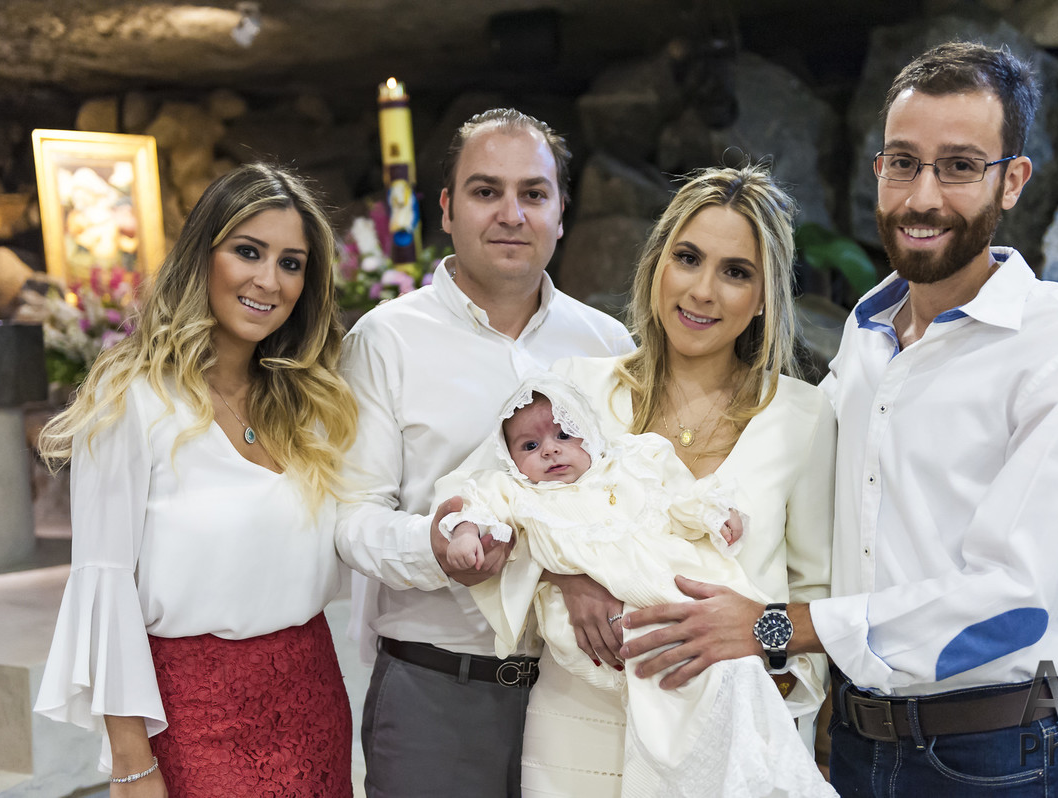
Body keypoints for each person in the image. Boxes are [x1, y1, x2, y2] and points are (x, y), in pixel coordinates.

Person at [620, 42, 1058, 797]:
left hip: (1004, 753)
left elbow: (1014, 603)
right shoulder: (867, 332)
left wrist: (774, 625)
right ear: (878, 172)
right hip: (859, 743)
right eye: (903, 162)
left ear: (1013, 181)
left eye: (959, 166)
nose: (922, 195)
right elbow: (783, 473)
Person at [334, 108, 633, 798]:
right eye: (485, 191)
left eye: (533, 193)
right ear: (446, 208)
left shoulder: (608, 346)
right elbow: (352, 517)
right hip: (440, 695)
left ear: (561, 212)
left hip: (583, 692)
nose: (511, 213)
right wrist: (433, 546)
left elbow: (626, 495)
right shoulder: (386, 341)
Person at [33, 162, 359, 796]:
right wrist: (133, 764)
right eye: (248, 252)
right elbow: (105, 590)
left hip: (313, 696)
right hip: (194, 718)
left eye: (291, 263)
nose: (269, 280)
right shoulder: (129, 398)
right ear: (202, 255)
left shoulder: (305, 401)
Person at [512, 163, 836, 796]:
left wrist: (770, 666)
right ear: (658, 264)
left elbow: (821, 599)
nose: (703, 291)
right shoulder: (575, 392)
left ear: (765, 295)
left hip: (730, 743)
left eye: (736, 272)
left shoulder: (804, 415)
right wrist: (565, 573)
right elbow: (494, 513)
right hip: (580, 736)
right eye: (688, 258)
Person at [435, 375, 835, 797]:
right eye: (529, 447)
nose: (550, 449)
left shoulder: (628, 466)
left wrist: (714, 516)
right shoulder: (517, 490)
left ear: (588, 432)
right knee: (668, 677)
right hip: (589, 670)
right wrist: (464, 535)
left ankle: (749, 770)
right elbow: (475, 505)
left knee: (719, 672)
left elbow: (679, 504)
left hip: (669, 596)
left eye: (564, 434)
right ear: (510, 458)